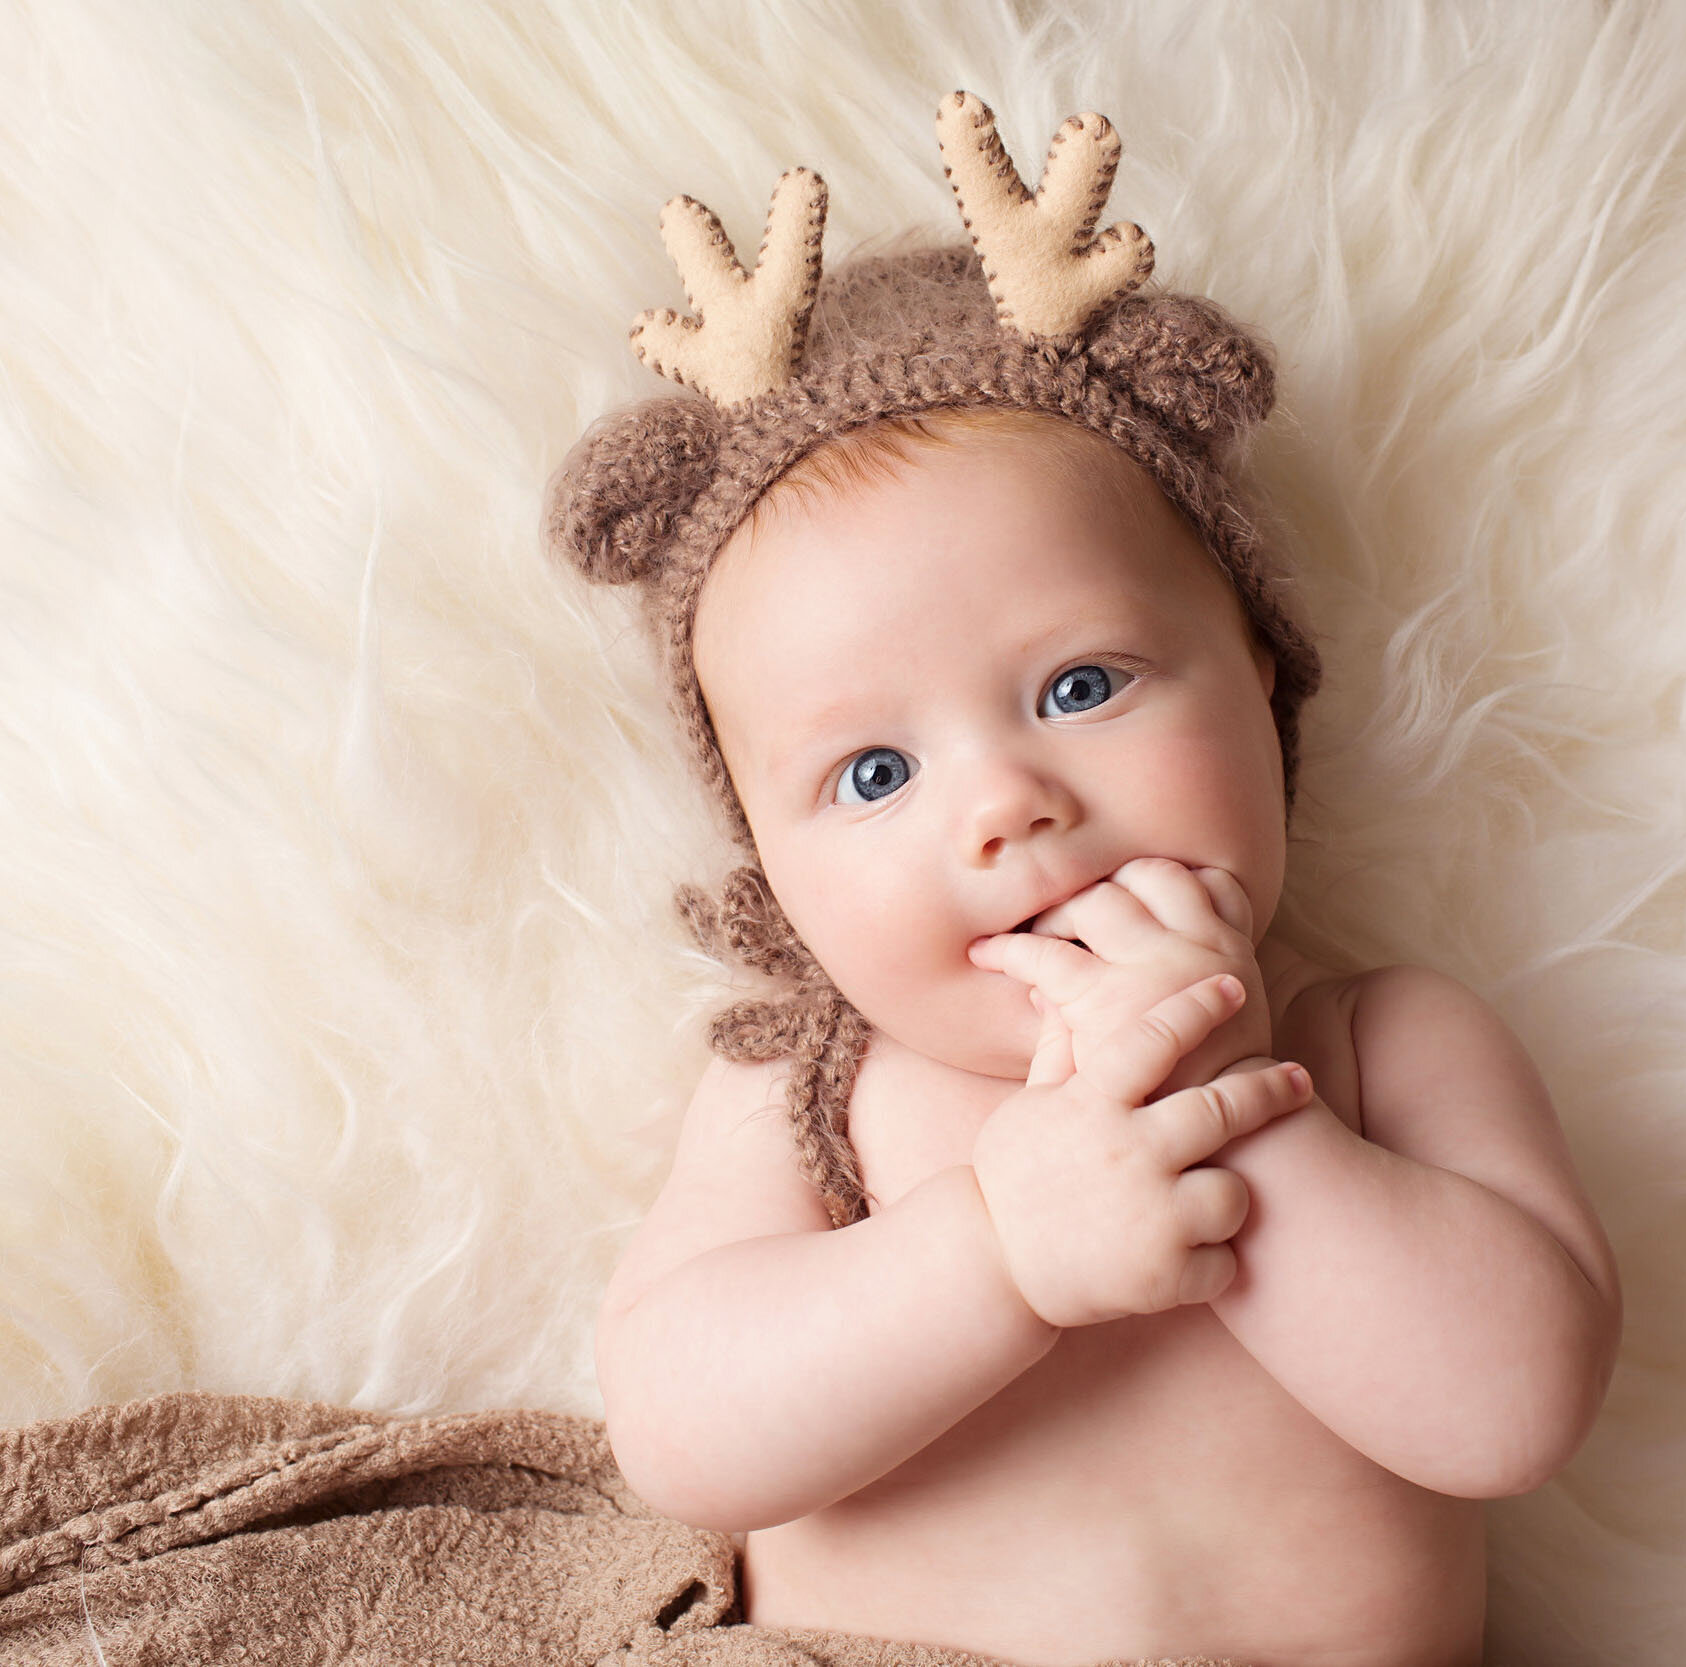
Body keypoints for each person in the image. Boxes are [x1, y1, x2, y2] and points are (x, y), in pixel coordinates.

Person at [545, 91, 1621, 1667]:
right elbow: (685, 1437)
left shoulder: (1379, 1046)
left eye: (1080, 689)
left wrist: (1244, 1104)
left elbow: (1514, 1409)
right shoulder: (821, 1095)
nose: (1005, 809)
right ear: (769, 867)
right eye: (874, 776)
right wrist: (997, 1249)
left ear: (1260, 677)